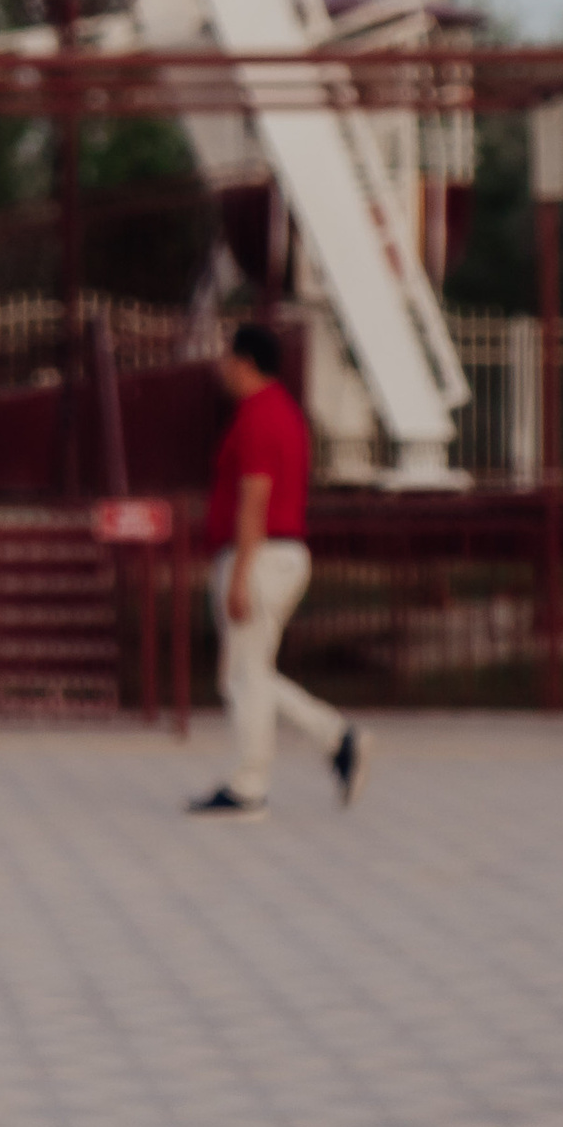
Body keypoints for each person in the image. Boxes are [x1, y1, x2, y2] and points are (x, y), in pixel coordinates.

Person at [188, 318, 365, 821]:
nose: (221, 366)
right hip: (275, 554)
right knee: (248, 672)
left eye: (227, 356)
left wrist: (240, 575)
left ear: (245, 362)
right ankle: (336, 738)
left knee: (245, 677)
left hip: (260, 555)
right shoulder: (282, 411)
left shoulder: (259, 416)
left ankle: (250, 785)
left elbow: (255, 497)